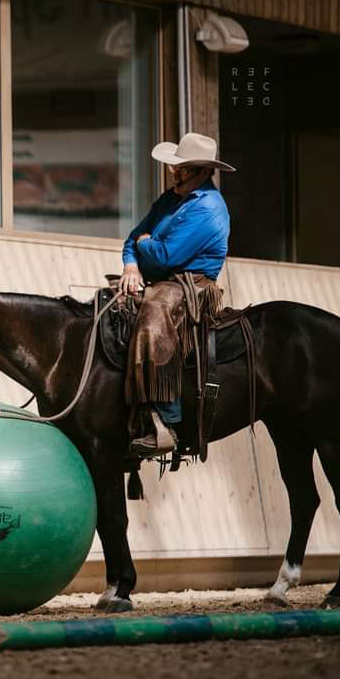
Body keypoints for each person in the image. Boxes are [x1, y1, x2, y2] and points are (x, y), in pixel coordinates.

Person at [120, 133, 234, 457]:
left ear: (199, 173)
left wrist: (144, 246)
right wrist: (131, 267)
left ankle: (165, 421)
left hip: (191, 285)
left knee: (153, 319)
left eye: (180, 169)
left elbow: (166, 255)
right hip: (157, 277)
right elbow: (132, 238)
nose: (173, 174)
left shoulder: (209, 209)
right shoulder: (169, 200)